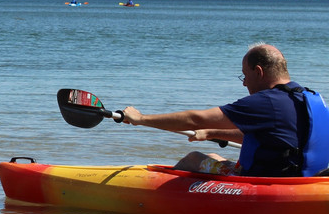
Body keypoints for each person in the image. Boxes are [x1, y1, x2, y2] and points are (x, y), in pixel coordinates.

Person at [120, 43, 329, 177]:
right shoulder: (310, 98)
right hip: (309, 178)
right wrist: (213, 133)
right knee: (212, 154)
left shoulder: (266, 102)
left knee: (194, 158)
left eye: (244, 75)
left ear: (259, 72)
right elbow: (282, 140)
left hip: (271, 182)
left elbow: (195, 119)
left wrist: (140, 118)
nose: (244, 83)